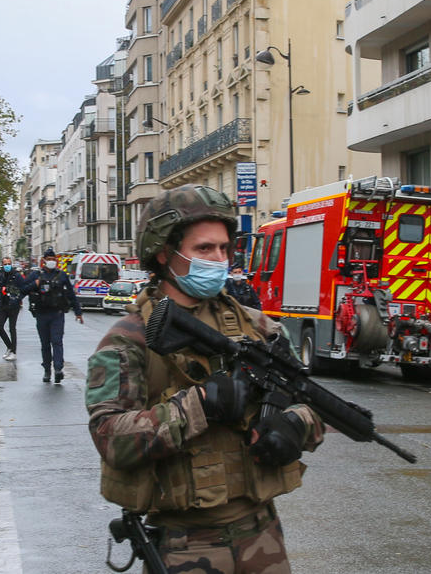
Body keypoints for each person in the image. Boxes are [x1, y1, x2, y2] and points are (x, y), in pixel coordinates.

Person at [85, 185, 324, 573]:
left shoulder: (258, 326)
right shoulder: (129, 338)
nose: (219, 259)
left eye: (224, 249)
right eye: (203, 249)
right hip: (184, 543)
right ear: (165, 254)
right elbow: (111, 438)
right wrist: (198, 406)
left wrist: (296, 424)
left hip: (262, 533)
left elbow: (309, 401)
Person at [26, 248, 82, 383]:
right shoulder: (36, 275)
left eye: (53, 259)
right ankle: (47, 370)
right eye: (48, 259)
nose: (51, 261)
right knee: (45, 344)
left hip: (57, 314)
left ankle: (58, 369)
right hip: (41, 314)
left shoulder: (62, 275)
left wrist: (78, 312)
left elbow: (70, 294)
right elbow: (24, 288)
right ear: (44, 260)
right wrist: (35, 284)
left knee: (57, 341)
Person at [0, 257, 25, 361]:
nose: (7, 265)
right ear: (2, 265)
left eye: (9, 263)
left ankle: (13, 352)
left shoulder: (17, 275)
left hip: (13, 305)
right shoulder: (0, 274)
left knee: (12, 328)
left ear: (11, 264)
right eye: (5, 264)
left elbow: (23, 288)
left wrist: (17, 297)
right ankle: (10, 347)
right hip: (2, 304)